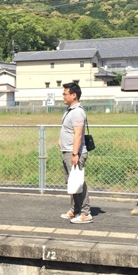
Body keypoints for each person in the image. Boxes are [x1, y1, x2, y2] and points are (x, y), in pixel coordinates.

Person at [60, 82, 92, 224]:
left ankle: (85, 213)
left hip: (74, 152)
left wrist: (74, 154)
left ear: (74, 95)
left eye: (65, 94)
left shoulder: (77, 112)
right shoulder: (69, 110)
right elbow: (68, 129)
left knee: (78, 182)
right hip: (67, 151)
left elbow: (78, 135)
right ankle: (75, 209)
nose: (63, 96)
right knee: (71, 182)